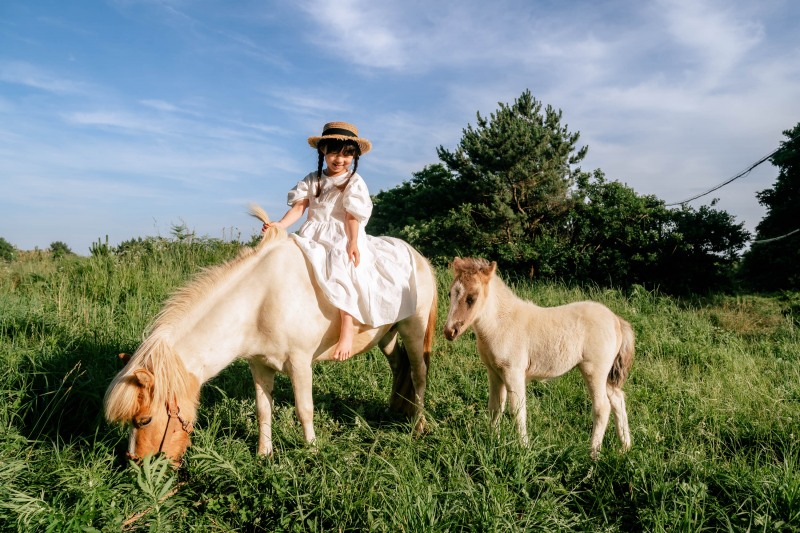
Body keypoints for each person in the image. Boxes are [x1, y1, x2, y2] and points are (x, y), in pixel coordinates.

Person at [263, 122, 417, 361]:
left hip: (341, 233)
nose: (340, 159)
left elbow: (351, 216)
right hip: (312, 233)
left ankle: (347, 325)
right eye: (334, 152)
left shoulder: (353, 181)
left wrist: (353, 242)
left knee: (341, 266)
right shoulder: (312, 179)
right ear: (323, 150)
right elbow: (300, 207)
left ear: (354, 155)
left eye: (347, 153)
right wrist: (280, 225)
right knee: (290, 261)